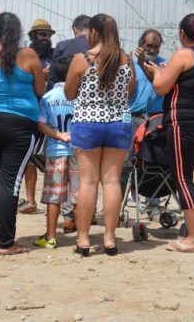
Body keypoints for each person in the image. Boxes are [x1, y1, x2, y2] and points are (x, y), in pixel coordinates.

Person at [142, 13, 194, 252]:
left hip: (181, 124)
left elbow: (161, 87)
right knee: (187, 179)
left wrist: (156, 72)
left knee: (182, 180)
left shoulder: (184, 54)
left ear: (182, 34)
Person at [65, 13, 136, 256]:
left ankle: (83, 240)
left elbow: (69, 94)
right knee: (112, 181)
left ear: (93, 32)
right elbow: (130, 92)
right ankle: (109, 239)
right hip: (118, 123)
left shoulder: (82, 59)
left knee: (88, 181)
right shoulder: (126, 59)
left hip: (88, 122)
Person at [0, 12, 45, 255]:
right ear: (17, 32)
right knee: (11, 181)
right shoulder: (28, 55)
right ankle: (7, 242)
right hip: (19, 124)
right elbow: (40, 88)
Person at [46, 14, 91, 233]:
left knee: (58, 184)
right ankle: (86, 216)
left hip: (58, 131)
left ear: (75, 29)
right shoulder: (98, 47)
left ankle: (67, 218)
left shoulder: (63, 46)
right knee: (83, 178)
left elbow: (53, 76)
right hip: (88, 116)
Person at [33, 55, 77, 249]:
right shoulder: (78, 97)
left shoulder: (48, 97)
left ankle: (50, 237)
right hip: (78, 151)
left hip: (55, 151)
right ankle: (82, 236)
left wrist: (59, 135)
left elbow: (41, 124)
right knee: (80, 193)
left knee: (54, 195)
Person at [18, 18, 56, 215]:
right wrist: (41, 74)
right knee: (30, 155)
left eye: (48, 35)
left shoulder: (56, 54)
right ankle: (31, 201)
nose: (46, 38)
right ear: (32, 35)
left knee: (53, 155)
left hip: (51, 109)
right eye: (42, 34)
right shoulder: (24, 55)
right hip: (30, 108)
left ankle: (53, 199)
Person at [123, 29, 166, 191]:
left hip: (156, 120)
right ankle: (117, 209)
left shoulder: (164, 64)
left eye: (156, 46)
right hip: (132, 119)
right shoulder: (129, 63)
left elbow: (159, 84)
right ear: (140, 45)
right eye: (149, 46)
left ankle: (153, 207)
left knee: (155, 162)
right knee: (125, 163)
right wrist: (136, 64)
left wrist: (143, 64)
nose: (153, 50)